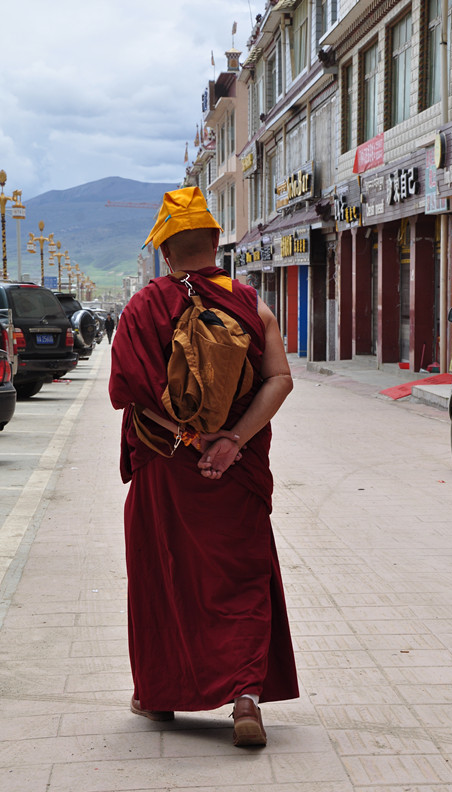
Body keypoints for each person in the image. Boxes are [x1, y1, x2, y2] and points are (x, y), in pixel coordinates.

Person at [108, 187, 298, 748]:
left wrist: (191, 437)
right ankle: (244, 698)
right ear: (216, 244)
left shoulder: (145, 307)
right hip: (234, 472)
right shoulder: (249, 303)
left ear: (166, 253)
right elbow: (280, 378)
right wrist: (232, 441)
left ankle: (161, 695)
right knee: (239, 578)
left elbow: (132, 395)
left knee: (164, 574)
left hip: (168, 468)